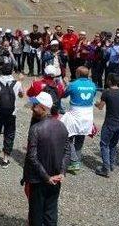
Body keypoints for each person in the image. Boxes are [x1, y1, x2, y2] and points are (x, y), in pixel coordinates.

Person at [23, 92, 70, 226]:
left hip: (38, 180)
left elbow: (32, 157)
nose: (32, 108)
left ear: (43, 108)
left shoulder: (36, 129)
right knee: (51, 214)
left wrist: (46, 177)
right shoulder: (61, 126)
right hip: (55, 179)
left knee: (36, 216)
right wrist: (61, 172)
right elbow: (67, 151)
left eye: (35, 105)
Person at [0, 63, 23, 169]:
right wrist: (20, 82)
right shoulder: (17, 83)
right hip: (11, 114)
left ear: (1, 71)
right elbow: (21, 95)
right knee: (9, 135)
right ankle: (5, 160)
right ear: (11, 72)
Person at [61, 66, 97, 173]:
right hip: (88, 114)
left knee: (68, 137)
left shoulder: (74, 84)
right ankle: (76, 162)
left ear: (78, 74)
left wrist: (66, 84)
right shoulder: (93, 85)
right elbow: (93, 95)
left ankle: (74, 160)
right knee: (80, 139)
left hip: (76, 114)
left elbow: (63, 94)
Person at [94, 73, 119, 177]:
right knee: (113, 145)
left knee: (104, 144)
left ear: (109, 81)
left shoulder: (106, 92)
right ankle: (111, 164)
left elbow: (100, 107)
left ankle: (105, 168)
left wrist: (96, 103)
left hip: (109, 123)